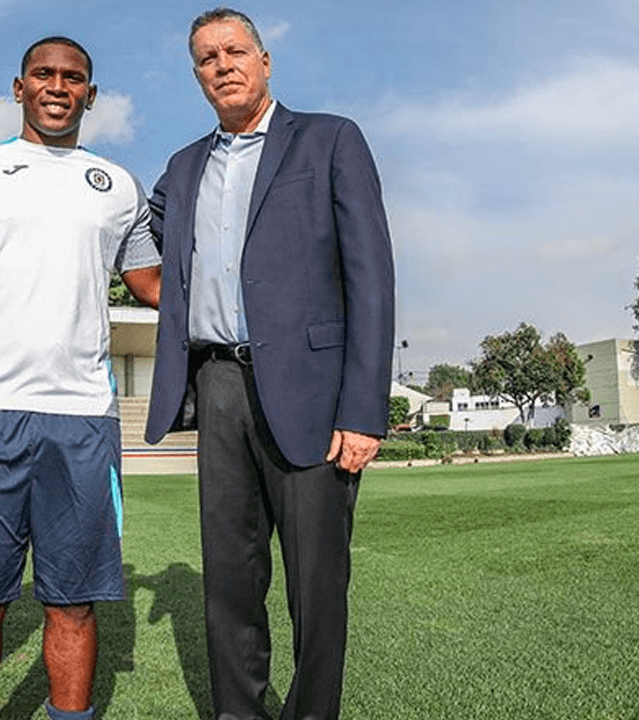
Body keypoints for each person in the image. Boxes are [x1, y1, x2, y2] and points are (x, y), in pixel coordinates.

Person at [0, 36, 161, 720]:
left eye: (73, 78)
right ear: (18, 88)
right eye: (43, 74)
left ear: (90, 95)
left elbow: (153, 284)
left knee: (72, 605)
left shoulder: (119, 186)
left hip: (83, 421)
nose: (57, 86)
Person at [144, 8, 395, 720]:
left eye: (234, 51)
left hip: (314, 396)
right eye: (205, 58)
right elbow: (148, 233)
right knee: (229, 580)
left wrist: (361, 409)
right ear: (196, 75)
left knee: (317, 587)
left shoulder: (330, 139)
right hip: (217, 383)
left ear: (264, 60)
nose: (221, 65)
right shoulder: (183, 167)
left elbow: (371, 278)